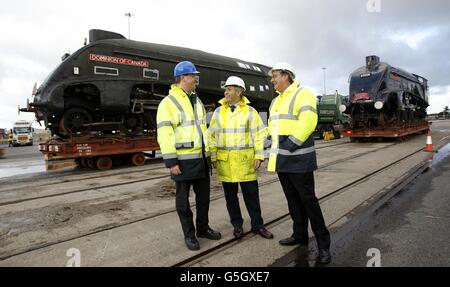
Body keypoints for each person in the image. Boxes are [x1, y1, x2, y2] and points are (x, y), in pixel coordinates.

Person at [267, 62, 331, 264]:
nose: (272, 80)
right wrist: (270, 142)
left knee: (308, 201)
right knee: (292, 200)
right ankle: (300, 234)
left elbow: (308, 121)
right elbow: (272, 127)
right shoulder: (275, 101)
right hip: (282, 160)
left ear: (286, 76)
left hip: (299, 159)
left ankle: (323, 245)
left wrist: (289, 144)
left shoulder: (303, 93)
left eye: (275, 76)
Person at [156, 61, 221, 251]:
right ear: (183, 77)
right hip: (182, 163)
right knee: (183, 203)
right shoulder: (168, 103)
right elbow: (165, 134)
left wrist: (209, 155)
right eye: (193, 76)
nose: (196, 79)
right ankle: (189, 235)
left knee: (204, 199)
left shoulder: (197, 101)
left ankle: (203, 228)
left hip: (200, 161)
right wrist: (171, 161)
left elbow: (203, 131)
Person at [208, 76, 273, 240]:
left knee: (252, 196)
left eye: (229, 89)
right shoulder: (217, 111)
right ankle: (237, 225)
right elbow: (211, 136)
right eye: (226, 89)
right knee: (231, 198)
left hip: (246, 162)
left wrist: (259, 154)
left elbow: (260, 135)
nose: (225, 92)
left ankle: (258, 225)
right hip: (226, 162)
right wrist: (213, 156)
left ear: (238, 92)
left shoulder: (250, 112)